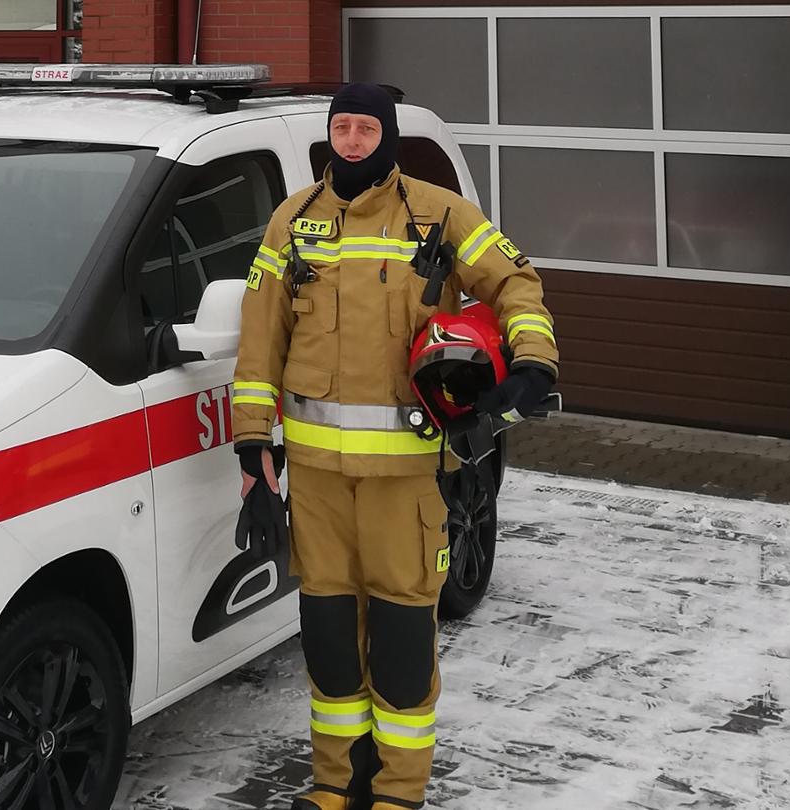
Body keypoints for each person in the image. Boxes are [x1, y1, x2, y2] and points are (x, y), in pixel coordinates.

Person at [229, 83, 559, 810]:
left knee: (403, 645)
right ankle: (335, 786)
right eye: (341, 127)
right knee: (329, 643)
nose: (351, 140)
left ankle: (398, 794)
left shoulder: (440, 214)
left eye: (366, 129)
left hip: (406, 480)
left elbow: (515, 281)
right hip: (316, 482)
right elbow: (259, 343)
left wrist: (533, 360)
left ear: (388, 137)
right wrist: (254, 455)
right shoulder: (293, 221)